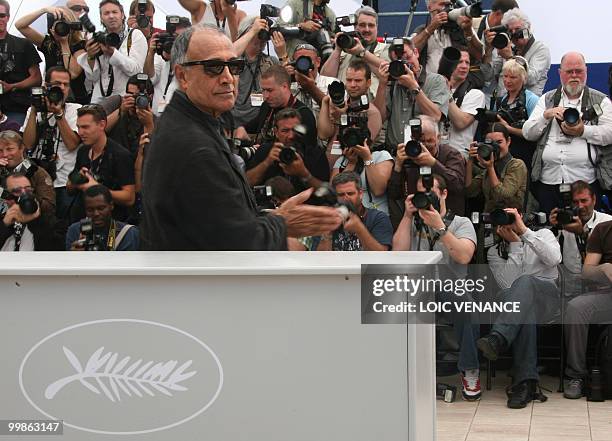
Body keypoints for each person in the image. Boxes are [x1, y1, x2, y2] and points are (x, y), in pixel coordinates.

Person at [140, 24, 342, 250]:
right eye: (214, 67)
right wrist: (281, 222)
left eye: (234, 66)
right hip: (198, 280)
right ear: (182, 76)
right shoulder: (194, 146)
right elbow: (238, 242)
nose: (228, 78)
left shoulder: (193, 122)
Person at [392, 173, 478, 399]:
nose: (426, 198)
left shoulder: (462, 223)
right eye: (421, 194)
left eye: (430, 193)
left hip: (452, 289)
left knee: (465, 303)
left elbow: (463, 256)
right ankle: (398, 370)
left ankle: (469, 369)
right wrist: (407, 216)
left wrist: (440, 227)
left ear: (444, 194)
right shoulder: (412, 221)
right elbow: (398, 255)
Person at [478, 207, 562, 408]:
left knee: (526, 283)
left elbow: (554, 259)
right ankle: (525, 384)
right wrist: (515, 246)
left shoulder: (543, 234)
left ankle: (498, 337)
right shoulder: (495, 252)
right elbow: (507, 286)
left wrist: (523, 232)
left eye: (511, 217)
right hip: (518, 307)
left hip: (546, 299)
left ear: (520, 216)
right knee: (523, 309)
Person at [523, 51, 612, 213]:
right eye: (569, 72)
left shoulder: (601, 101)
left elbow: (610, 133)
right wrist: (546, 115)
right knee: (551, 230)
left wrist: (582, 130)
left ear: (586, 72)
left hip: (585, 181)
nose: (574, 76)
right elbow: (528, 133)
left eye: (579, 71)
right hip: (549, 181)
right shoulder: (547, 99)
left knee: (586, 232)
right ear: (559, 73)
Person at [237, 65, 329, 182]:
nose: (265, 96)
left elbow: (307, 154)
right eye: (263, 90)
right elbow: (253, 125)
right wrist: (241, 130)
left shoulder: (304, 115)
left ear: (285, 87)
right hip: (264, 163)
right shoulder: (268, 106)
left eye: (269, 90)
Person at [21, 67, 82, 219]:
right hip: (38, 181)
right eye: (57, 83)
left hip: (63, 181)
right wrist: (35, 110)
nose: (61, 88)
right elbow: (27, 144)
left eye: (66, 84)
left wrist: (59, 113)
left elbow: (72, 144)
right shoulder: (33, 110)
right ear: (45, 86)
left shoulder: (76, 110)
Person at [563, 220, 612, 399]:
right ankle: (576, 375)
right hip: (608, 295)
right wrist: (604, 268)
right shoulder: (603, 229)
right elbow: (587, 272)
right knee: (576, 307)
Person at [374, 38, 450, 152]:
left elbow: (435, 116)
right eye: (400, 62)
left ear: (416, 52)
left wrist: (413, 86)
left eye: (408, 58)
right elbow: (379, 118)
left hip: (424, 152)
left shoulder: (436, 80)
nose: (406, 65)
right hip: (395, 152)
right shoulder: (392, 84)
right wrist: (382, 84)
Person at [388, 115, 466, 227]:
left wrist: (433, 163)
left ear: (438, 137)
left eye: (430, 140)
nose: (425, 145)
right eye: (421, 141)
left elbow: (458, 185)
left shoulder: (451, 154)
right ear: (412, 139)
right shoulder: (407, 157)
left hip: (448, 221)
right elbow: (393, 193)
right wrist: (398, 166)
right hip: (416, 222)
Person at [68, 105, 135, 223]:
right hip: (82, 220)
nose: (80, 133)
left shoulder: (120, 155)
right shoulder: (83, 151)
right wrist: (76, 182)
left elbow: (129, 197)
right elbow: (69, 187)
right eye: (78, 127)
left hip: (111, 223)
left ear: (102, 125)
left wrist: (97, 189)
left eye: (85, 127)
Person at [77, 0, 147, 104]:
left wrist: (112, 53)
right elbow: (92, 77)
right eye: (106, 13)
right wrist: (90, 56)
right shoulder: (97, 38)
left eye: (115, 12)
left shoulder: (135, 35)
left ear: (122, 15)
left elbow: (136, 71)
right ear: (101, 18)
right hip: (99, 100)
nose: (111, 16)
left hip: (125, 100)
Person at [15, 6, 89, 104]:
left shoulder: (80, 45)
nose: (61, 28)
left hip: (76, 101)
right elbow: (20, 26)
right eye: (58, 25)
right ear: (51, 28)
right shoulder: (48, 44)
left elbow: (73, 73)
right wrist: (44, 10)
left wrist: (64, 43)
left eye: (64, 23)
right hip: (52, 99)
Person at [551, 180, 612, 296]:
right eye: (575, 202)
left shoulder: (607, 222)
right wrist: (554, 229)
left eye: (584, 201)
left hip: (601, 291)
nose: (580, 206)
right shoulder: (563, 222)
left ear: (594, 200)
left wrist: (581, 233)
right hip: (569, 290)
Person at [245, 108, 324, 192]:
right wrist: (266, 162)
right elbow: (247, 183)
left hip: (305, 203)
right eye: (285, 131)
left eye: (295, 130)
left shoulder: (315, 154)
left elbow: (326, 192)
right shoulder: (265, 150)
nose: (291, 136)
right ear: (276, 132)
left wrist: (304, 173)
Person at [320, 6, 389, 98]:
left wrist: (362, 53)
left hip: (373, 106)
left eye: (371, 25)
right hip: (343, 105)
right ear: (355, 26)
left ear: (377, 28)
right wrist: (337, 49)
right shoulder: (344, 51)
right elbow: (325, 79)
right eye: (362, 25)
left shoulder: (385, 49)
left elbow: (389, 72)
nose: (367, 29)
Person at [316, 171, 392, 251]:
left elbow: (382, 256)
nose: (346, 198)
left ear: (360, 194)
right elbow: (321, 260)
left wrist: (359, 229)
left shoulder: (377, 218)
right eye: (341, 195)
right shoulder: (329, 219)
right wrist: (327, 233)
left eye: (350, 193)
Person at [483, 8, 550, 97]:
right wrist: (488, 50)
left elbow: (531, 79)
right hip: (502, 102)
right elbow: (488, 77)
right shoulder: (507, 46)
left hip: (526, 104)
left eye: (518, 29)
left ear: (528, 28)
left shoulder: (541, 49)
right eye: (511, 31)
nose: (515, 34)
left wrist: (510, 58)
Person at [318, 59, 383, 147]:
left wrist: (342, 118)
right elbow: (323, 134)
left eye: (358, 81)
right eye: (349, 80)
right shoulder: (338, 105)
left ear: (368, 83)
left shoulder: (371, 112)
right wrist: (325, 102)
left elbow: (362, 145)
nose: (352, 85)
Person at [465, 124, 527, 213]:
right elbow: (469, 191)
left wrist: (490, 168)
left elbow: (504, 196)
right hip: (489, 219)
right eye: (490, 144)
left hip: (510, 221)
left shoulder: (517, 165)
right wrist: (470, 160)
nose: (495, 147)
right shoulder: (488, 167)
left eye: (499, 142)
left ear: (508, 141)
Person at [411, 0, 483, 76]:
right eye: (442, 4)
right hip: (431, 83)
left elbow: (479, 55)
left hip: (460, 84)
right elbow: (410, 51)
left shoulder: (463, 28)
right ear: (430, 8)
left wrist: (468, 31)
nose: (447, 8)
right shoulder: (422, 30)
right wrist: (431, 28)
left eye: (449, 4)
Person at [492, 57, 538, 174]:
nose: (507, 81)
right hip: (503, 157)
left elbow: (536, 134)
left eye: (513, 77)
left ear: (523, 78)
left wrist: (508, 129)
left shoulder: (532, 100)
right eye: (505, 76)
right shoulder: (500, 101)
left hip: (526, 156)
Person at [230, 16, 278, 126]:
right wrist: (253, 31)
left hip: (261, 127)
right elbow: (227, 56)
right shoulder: (235, 60)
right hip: (234, 125)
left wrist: (282, 54)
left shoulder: (270, 62)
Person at [0, 0, 42, 125]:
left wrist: (11, 86)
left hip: (17, 108)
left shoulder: (23, 44)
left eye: (2, 15)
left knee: (15, 143)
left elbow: (36, 78)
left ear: (8, 17)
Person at [0, 171, 64, 251]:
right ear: (7, 197)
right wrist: (4, 225)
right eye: (17, 191)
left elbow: (53, 253)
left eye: (28, 191)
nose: (24, 196)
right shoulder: (3, 222)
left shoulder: (49, 223)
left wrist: (35, 221)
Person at [67, 184, 139, 251]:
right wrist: (73, 257)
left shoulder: (128, 234)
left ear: (111, 206)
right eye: (90, 210)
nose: (96, 213)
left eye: (101, 208)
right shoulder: (75, 231)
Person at [0, 131, 55, 217]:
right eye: (0, 150)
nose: (5, 154)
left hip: (30, 225)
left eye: (10, 149)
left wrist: (26, 196)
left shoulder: (37, 172)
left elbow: (49, 207)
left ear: (21, 148)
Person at [144, 16, 191, 116]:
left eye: (180, 38)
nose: (175, 42)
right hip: (155, 117)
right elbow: (150, 79)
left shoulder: (193, 62)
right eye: (174, 37)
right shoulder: (161, 55)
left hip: (177, 120)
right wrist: (151, 53)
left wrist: (175, 58)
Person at [445, 48, 486, 156]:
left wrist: (445, 93)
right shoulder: (435, 89)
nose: (464, 66)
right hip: (436, 153)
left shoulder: (476, 95)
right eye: (460, 62)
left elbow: (461, 123)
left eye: (467, 62)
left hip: (459, 156)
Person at [478, 0, 519, 102]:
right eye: (509, 19)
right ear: (498, 14)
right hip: (477, 94)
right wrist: (488, 49)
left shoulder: (512, 33)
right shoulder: (473, 27)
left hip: (502, 98)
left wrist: (509, 57)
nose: (511, 23)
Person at [282, 43, 337, 118]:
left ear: (318, 62)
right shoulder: (287, 87)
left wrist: (312, 88)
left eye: (307, 60)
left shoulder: (332, 84)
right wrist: (283, 79)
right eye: (299, 61)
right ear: (293, 64)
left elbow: (336, 112)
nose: (304, 64)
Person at [106, 74, 155, 157]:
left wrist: (149, 124)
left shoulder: (156, 122)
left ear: (150, 97)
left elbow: (153, 153)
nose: (135, 100)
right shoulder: (117, 105)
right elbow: (98, 129)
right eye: (131, 95)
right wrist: (121, 111)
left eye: (138, 96)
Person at [178, 0, 246, 41]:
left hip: (227, 63)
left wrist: (231, 17)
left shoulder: (240, 15)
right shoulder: (201, 8)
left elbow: (240, 50)